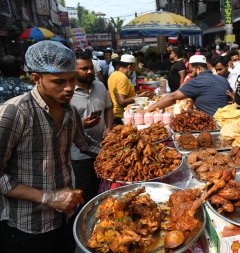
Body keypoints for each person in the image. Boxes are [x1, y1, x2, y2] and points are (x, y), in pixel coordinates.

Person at [0, 41, 99, 253]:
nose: (69, 88)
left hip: (66, 216)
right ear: (36, 78)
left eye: (72, 79)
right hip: (28, 226)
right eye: (58, 81)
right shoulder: (15, 112)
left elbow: (86, 144)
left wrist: (120, 155)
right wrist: (47, 197)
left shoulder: (69, 110)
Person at [71, 49, 114, 204]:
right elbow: (62, 123)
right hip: (80, 155)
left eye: (91, 67)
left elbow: (109, 108)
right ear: (72, 69)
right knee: (87, 192)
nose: (89, 71)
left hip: (102, 148)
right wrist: (81, 123)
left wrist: (108, 128)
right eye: (84, 69)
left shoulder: (100, 86)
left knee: (104, 188)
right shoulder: (67, 92)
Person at [147, 55, 231, 116]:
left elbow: (173, 97)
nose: (190, 75)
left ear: (199, 69)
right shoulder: (223, 79)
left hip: (211, 122)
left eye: (191, 71)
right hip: (225, 119)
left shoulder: (197, 81)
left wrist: (148, 110)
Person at [107, 54, 149, 124]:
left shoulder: (113, 75)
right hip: (123, 116)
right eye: (134, 68)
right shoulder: (122, 78)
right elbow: (121, 102)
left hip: (117, 114)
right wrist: (140, 96)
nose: (134, 70)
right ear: (129, 67)